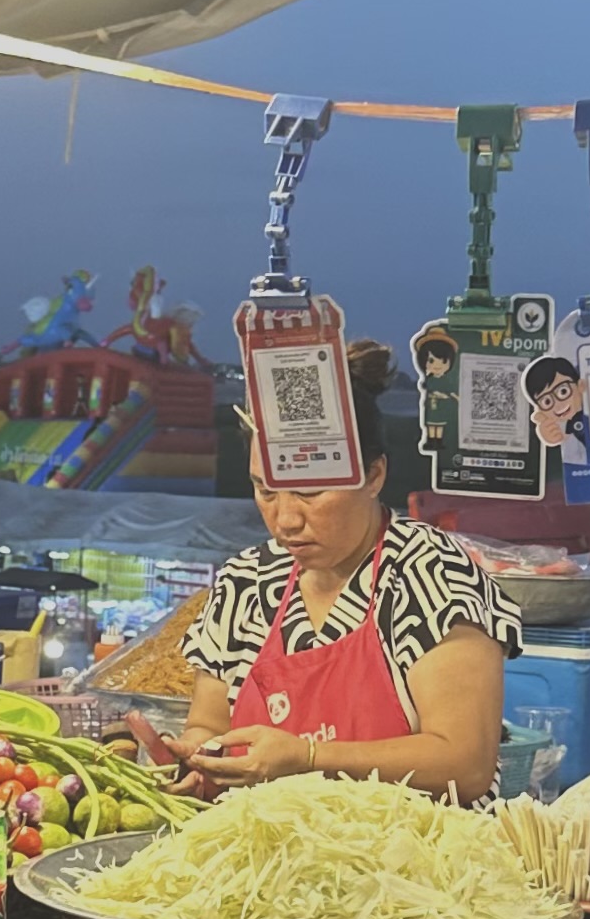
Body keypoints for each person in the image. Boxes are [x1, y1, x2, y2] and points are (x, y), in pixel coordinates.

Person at [169, 340, 521, 804]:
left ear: (373, 476)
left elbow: (466, 764)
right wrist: (199, 757)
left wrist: (310, 758)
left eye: (311, 492)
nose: (285, 519)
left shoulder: (431, 574)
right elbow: (209, 724)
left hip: (417, 847)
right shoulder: (246, 582)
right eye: (266, 491)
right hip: (265, 845)